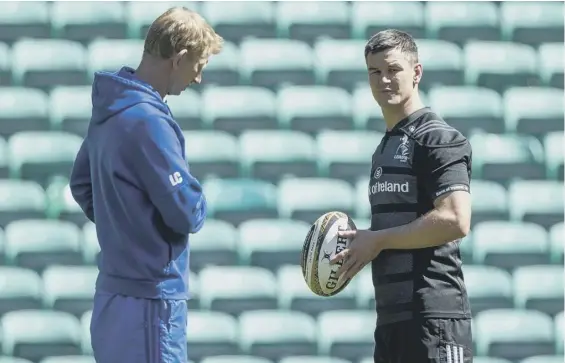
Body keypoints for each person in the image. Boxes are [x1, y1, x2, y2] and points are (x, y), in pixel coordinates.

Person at [69, 7, 223, 363]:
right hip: (149, 304)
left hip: (111, 297)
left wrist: (124, 227)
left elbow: (81, 184)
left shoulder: (111, 108)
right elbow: (187, 212)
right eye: (198, 66)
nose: (197, 79)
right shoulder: (149, 121)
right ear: (179, 58)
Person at [330, 29, 474, 363]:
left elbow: (456, 219)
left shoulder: (438, 138)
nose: (384, 80)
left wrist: (377, 240)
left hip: (435, 318)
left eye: (394, 70)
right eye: (374, 71)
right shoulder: (385, 146)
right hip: (393, 320)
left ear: (416, 73)